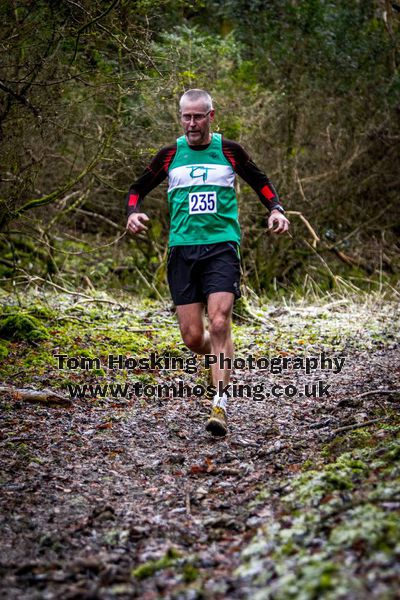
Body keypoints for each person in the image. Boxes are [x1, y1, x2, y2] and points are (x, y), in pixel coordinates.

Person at [126, 89, 289, 437]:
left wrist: (276, 210)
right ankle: (217, 356)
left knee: (219, 322)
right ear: (180, 117)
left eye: (199, 116)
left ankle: (220, 404)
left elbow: (261, 182)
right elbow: (137, 188)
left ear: (211, 116)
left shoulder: (230, 151)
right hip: (182, 251)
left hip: (221, 248)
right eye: (186, 116)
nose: (192, 123)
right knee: (192, 336)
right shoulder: (170, 155)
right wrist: (133, 212)